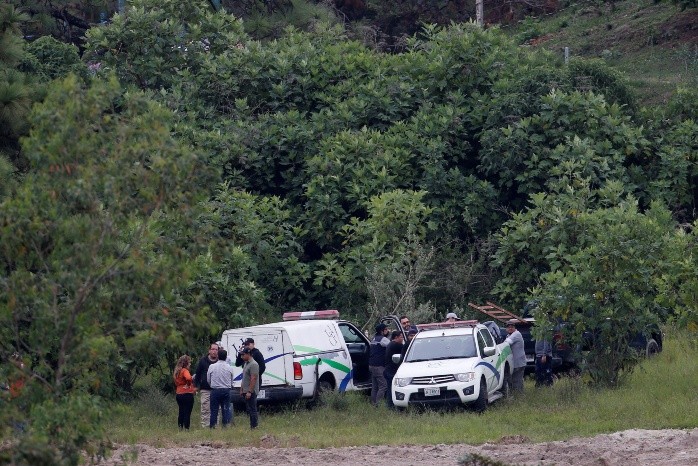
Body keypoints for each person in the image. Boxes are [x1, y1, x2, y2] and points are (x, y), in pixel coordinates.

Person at [206, 349, 234, 428]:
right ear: (226, 357)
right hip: (226, 390)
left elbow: (208, 379)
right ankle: (226, 426)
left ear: (218, 356)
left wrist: (212, 385)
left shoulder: (212, 366)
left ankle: (213, 426)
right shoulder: (229, 368)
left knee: (214, 410)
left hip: (215, 390)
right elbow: (232, 380)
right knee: (226, 409)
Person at [194, 342, 219, 427]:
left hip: (216, 389)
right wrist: (195, 386)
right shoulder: (203, 361)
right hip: (205, 389)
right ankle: (205, 426)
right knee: (205, 408)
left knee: (216, 408)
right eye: (213, 349)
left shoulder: (220, 361)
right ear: (209, 350)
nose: (214, 351)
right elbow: (198, 374)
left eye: (216, 349)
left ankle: (215, 426)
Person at [368, 323, 391, 406]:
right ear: (382, 331)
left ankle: (373, 404)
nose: (387, 331)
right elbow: (391, 345)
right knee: (383, 386)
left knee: (375, 387)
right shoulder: (383, 339)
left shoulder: (373, 338)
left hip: (371, 365)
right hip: (378, 366)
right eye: (386, 329)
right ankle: (378, 405)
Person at [173, 355, 196, 430]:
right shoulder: (185, 371)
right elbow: (188, 378)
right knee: (187, 412)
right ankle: (186, 428)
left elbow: (176, 382)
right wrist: (189, 383)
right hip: (187, 393)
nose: (190, 364)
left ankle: (180, 427)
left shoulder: (177, 371)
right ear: (186, 363)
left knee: (181, 411)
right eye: (189, 362)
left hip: (179, 393)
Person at [239, 347, 260, 429]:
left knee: (252, 409)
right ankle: (252, 425)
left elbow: (253, 378)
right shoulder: (246, 363)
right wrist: (241, 389)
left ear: (248, 354)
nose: (242, 357)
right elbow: (244, 377)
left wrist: (250, 391)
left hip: (251, 391)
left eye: (243, 355)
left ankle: (254, 426)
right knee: (249, 409)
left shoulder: (253, 364)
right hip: (245, 390)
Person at [505, 319, 527, 394]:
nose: (510, 328)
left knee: (516, 381)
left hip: (518, 362)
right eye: (508, 327)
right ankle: (520, 395)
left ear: (515, 328)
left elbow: (507, 343)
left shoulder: (516, 334)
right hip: (516, 362)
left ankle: (518, 396)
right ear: (506, 329)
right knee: (517, 380)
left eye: (512, 327)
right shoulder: (509, 335)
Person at [384, 330, 404, 408]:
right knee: (393, 389)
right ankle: (392, 406)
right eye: (401, 337)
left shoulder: (390, 344)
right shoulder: (396, 345)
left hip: (388, 370)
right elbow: (406, 349)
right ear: (396, 337)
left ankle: (390, 405)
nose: (402, 339)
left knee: (390, 388)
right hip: (391, 371)